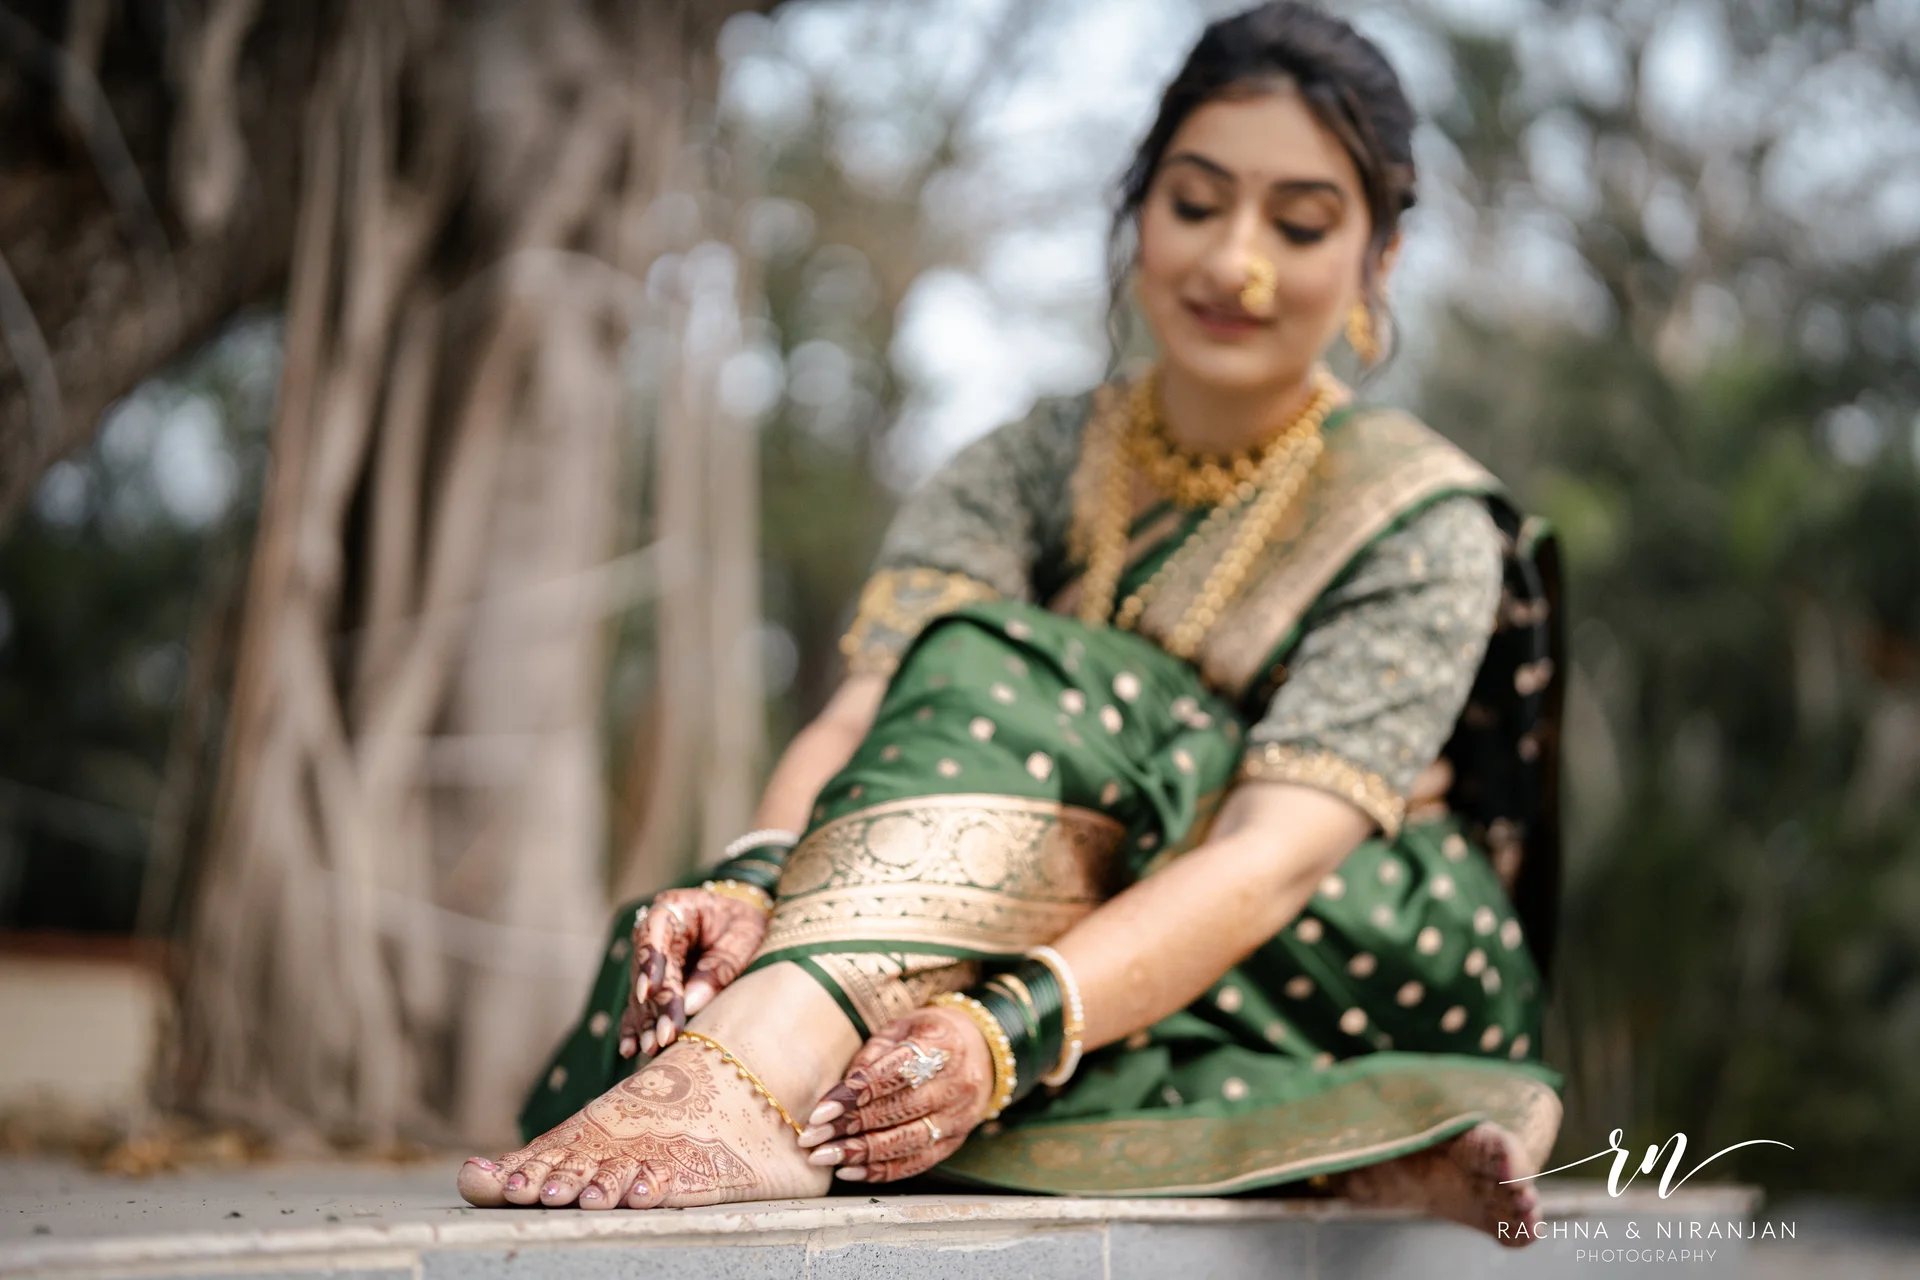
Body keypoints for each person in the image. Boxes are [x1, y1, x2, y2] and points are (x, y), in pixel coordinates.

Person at [457, 0, 1566, 1245]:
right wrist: (761, 885)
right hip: (1044, 909)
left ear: (1381, 259)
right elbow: (866, 716)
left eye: (1300, 225)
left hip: (1341, 945)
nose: (1234, 263)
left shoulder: (1421, 517)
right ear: (1139, 209)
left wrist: (1003, 1035)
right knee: (670, 971)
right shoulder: (1026, 463)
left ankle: (767, 1066)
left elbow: (1275, 853)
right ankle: (1339, 1146)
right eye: (1197, 204)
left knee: (1016, 674)